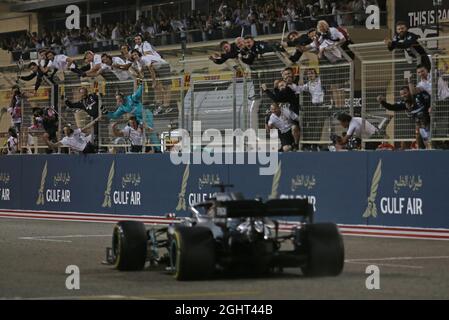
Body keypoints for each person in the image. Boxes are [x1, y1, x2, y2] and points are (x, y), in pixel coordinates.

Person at [107, 83, 159, 152]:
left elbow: (139, 92)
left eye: (119, 98)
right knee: (143, 130)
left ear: (123, 97)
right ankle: (147, 148)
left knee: (150, 132)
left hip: (146, 114)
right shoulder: (122, 108)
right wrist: (106, 112)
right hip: (139, 118)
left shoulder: (131, 98)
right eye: (117, 99)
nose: (118, 101)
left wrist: (141, 83)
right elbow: (114, 115)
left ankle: (158, 150)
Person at [130, 49, 172, 115]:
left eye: (135, 54)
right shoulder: (138, 62)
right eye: (133, 56)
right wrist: (139, 77)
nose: (135, 56)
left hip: (163, 66)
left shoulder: (144, 59)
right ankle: (160, 105)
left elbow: (151, 71)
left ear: (138, 54)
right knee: (158, 88)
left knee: (166, 87)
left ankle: (166, 106)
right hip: (157, 69)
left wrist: (154, 81)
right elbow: (141, 73)